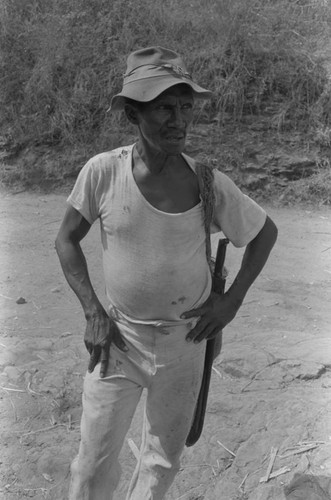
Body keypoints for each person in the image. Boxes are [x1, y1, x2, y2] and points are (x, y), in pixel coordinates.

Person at [55, 46, 278, 500]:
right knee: (93, 462)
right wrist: (94, 314)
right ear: (132, 115)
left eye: (185, 107)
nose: (178, 120)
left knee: (161, 460)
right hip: (117, 341)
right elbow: (66, 240)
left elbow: (264, 233)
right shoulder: (103, 172)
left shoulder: (207, 182)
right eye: (163, 108)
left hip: (186, 343)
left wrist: (230, 303)